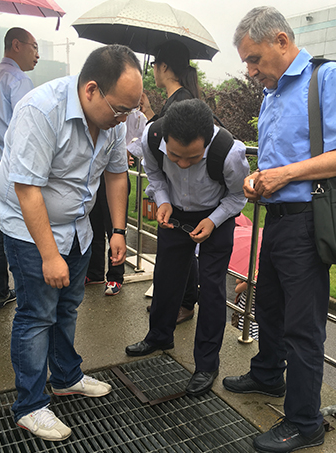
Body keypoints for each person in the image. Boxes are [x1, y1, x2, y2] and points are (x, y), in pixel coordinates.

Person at [223, 7, 336, 453]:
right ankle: (268, 373)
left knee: (303, 326)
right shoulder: (272, 92)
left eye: (254, 59)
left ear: (281, 41)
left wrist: (285, 175)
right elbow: (281, 162)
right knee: (269, 304)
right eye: (246, 63)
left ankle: (304, 422)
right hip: (277, 217)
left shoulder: (327, 78)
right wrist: (259, 180)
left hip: (309, 221)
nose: (250, 71)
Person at [0, 44, 143, 441]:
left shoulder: (112, 121)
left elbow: (116, 175)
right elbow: (26, 189)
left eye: (129, 111)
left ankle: (65, 376)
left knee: (68, 306)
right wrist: (49, 255)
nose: (123, 120)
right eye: (120, 110)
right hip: (30, 229)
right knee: (36, 314)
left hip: (78, 226)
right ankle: (29, 405)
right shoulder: (41, 110)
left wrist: (118, 231)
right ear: (91, 90)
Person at [126, 99, 249, 397]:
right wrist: (163, 200)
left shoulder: (229, 152)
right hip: (174, 213)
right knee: (166, 277)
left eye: (193, 158)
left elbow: (237, 197)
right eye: (175, 156)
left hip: (216, 217)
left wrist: (213, 220)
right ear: (165, 139)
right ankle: (159, 336)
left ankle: (206, 364)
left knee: (212, 289)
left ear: (207, 142)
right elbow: (155, 175)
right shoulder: (152, 136)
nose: (181, 164)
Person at [141, 40, 201, 324]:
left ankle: (185, 304)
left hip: (181, 192)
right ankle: (176, 304)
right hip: (174, 190)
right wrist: (149, 114)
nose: (153, 70)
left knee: (181, 251)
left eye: (154, 64)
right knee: (177, 250)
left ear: (164, 66)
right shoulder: (178, 98)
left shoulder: (182, 102)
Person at [0, 27, 39, 309]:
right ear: (16, 45)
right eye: (34, 47)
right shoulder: (19, 80)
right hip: (14, 165)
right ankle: (29, 291)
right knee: (23, 228)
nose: (37, 54)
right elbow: (30, 127)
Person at [85, 110, 147, 296]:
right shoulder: (100, 111)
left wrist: (127, 150)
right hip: (95, 174)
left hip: (116, 173)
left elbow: (143, 139)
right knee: (94, 225)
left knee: (115, 226)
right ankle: (94, 272)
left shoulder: (136, 116)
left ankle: (115, 275)